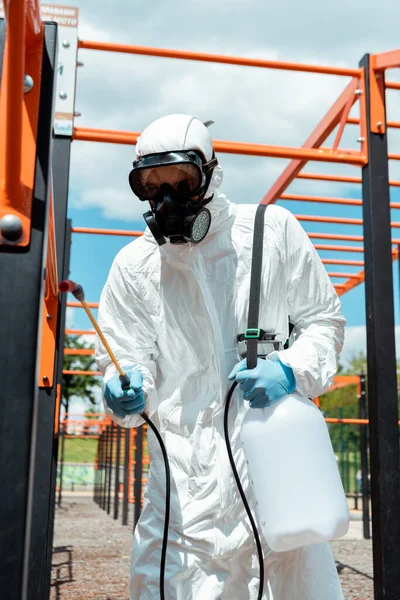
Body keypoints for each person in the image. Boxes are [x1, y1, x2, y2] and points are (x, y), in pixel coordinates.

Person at [95, 114, 346, 600]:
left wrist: (291, 369)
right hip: (182, 484)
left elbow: (324, 322)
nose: (169, 200)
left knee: (288, 585)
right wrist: (122, 385)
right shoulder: (134, 264)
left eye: (183, 181)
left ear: (211, 174)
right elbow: (126, 355)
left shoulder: (270, 232)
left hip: (273, 469)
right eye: (152, 186)